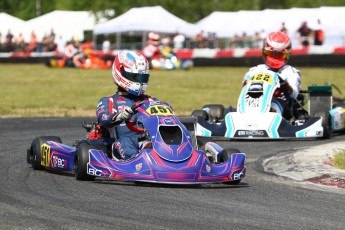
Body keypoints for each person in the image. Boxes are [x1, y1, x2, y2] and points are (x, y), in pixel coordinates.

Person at [96, 50, 166, 161]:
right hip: (122, 141)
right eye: (135, 77)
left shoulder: (151, 100)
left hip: (149, 139)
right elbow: (103, 119)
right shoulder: (109, 101)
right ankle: (138, 161)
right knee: (126, 141)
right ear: (120, 73)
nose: (140, 82)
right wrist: (121, 116)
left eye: (143, 78)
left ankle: (178, 158)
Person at [242, 31, 301, 120]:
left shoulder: (290, 72)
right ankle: (244, 116)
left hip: (283, 107)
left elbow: (294, 94)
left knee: (275, 104)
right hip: (256, 102)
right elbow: (244, 88)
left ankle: (271, 116)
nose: (275, 58)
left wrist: (285, 86)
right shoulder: (256, 70)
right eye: (272, 54)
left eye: (280, 54)